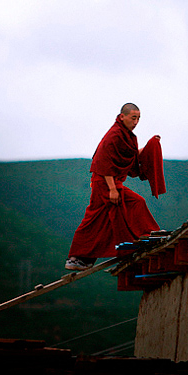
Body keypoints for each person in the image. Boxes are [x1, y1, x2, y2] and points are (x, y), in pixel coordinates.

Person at [65, 103, 162, 271]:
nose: (136, 121)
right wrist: (112, 189)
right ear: (122, 116)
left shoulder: (127, 136)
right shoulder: (114, 135)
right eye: (133, 118)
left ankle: (81, 259)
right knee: (136, 202)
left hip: (110, 182)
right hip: (104, 182)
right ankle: (149, 234)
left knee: (101, 219)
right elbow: (103, 162)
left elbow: (130, 157)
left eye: (138, 118)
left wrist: (150, 146)